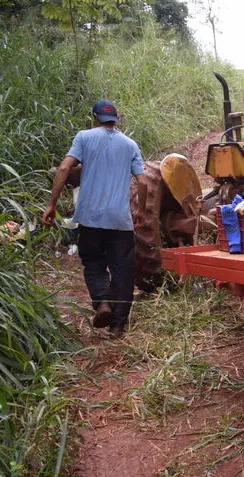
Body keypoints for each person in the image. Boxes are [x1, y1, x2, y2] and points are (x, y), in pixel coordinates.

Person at [43, 100, 148, 339]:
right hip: (120, 221)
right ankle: (118, 326)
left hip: (90, 218)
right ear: (116, 119)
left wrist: (51, 205)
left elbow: (63, 169)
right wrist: (141, 211)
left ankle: (102, 302)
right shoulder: (130, 144)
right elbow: (143, 182)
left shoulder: (84, 137)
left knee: (93, 263)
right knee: (123, 271)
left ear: (94, 117)